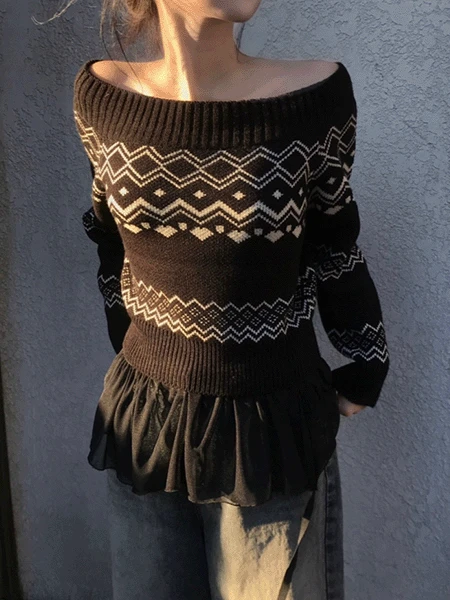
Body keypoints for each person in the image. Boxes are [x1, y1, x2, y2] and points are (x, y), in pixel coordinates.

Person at [72, 0, 390, 598]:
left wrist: (364, 360)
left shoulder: (314, 100)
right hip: (145, 433)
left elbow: (334, 243)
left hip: (271, 442)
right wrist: (132, 347)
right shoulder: (102, 98)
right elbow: (108, 241)